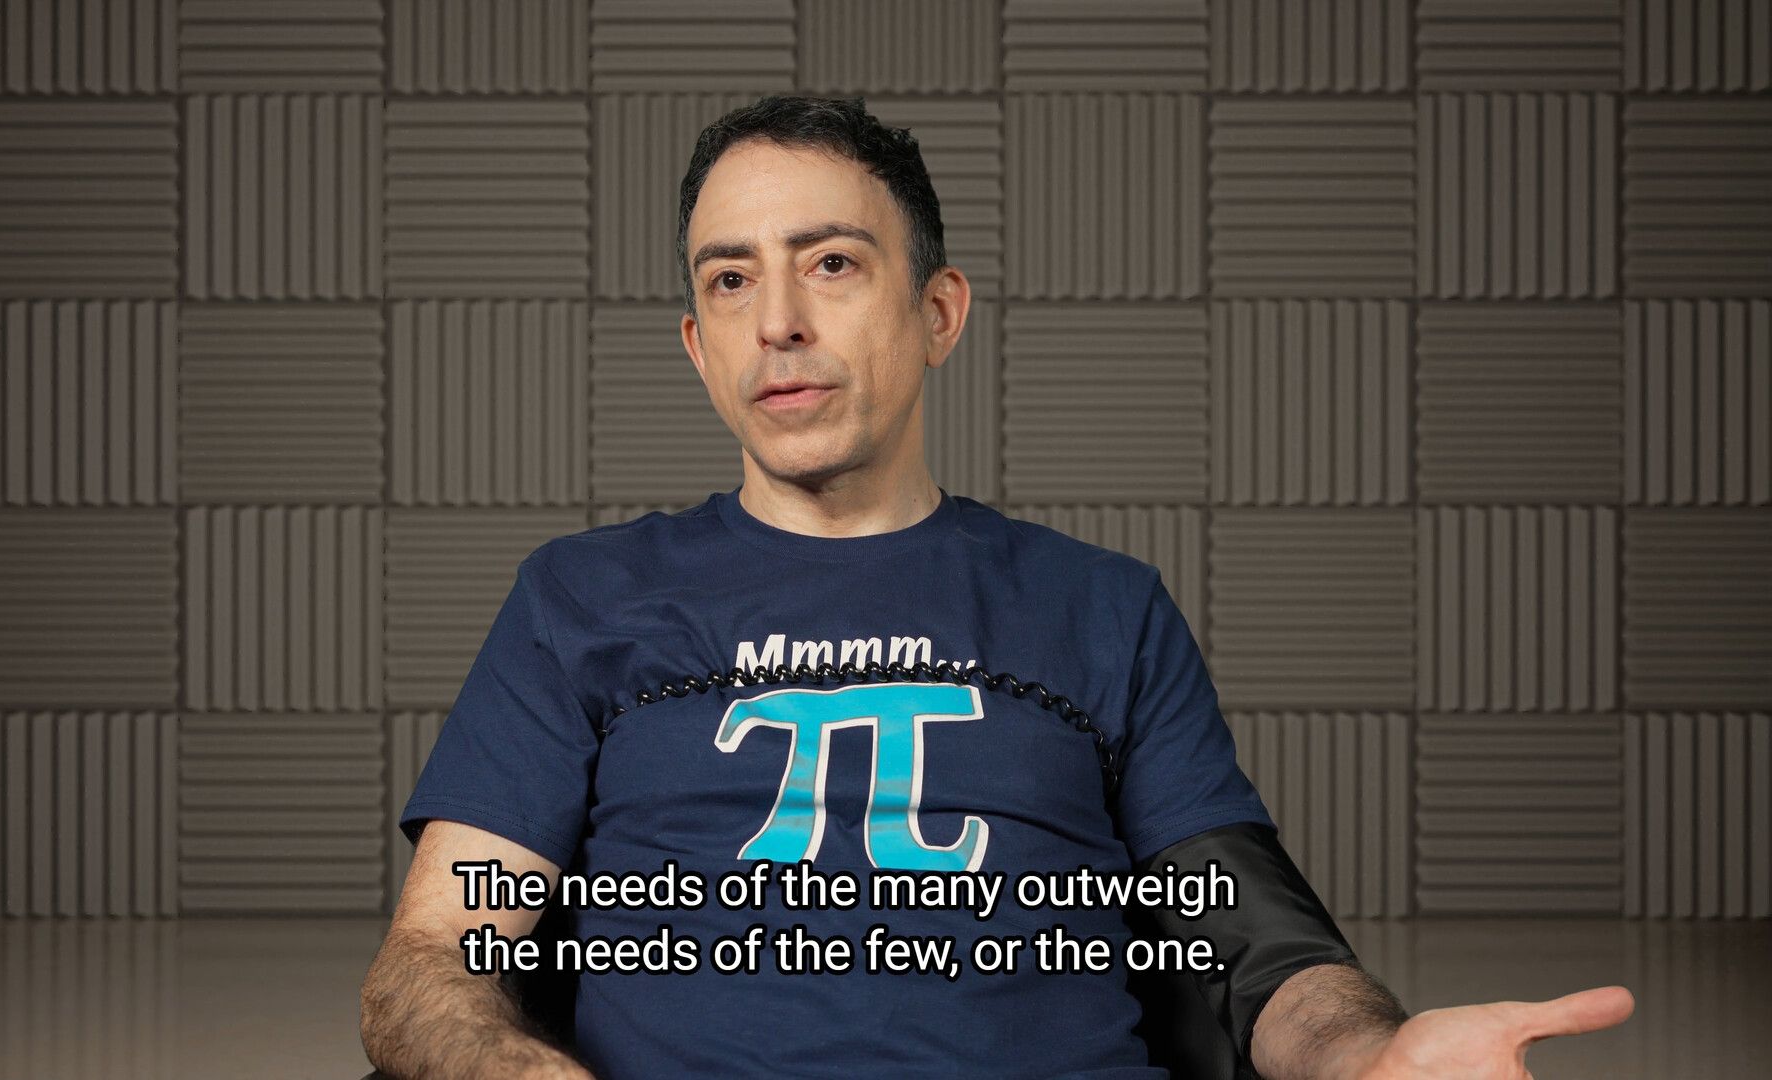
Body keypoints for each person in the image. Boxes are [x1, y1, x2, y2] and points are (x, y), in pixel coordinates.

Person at [359, 95, 1633, 1080]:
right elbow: (431, 962)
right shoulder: (581, 599)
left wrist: (1373, 1057)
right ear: (698, 344)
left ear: (939, 311)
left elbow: (1256, 952)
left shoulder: (1103, 611)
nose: (777, 321)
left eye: (832, 263)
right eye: (730, 279)